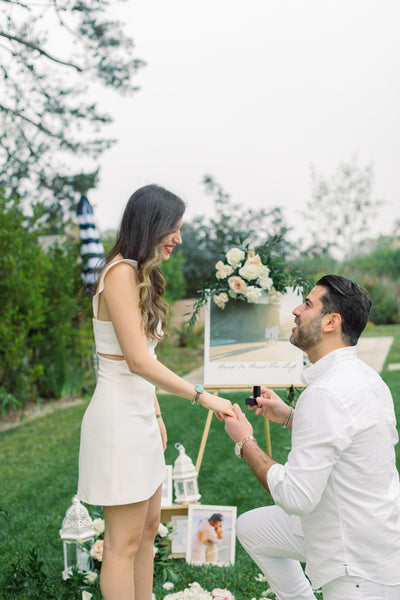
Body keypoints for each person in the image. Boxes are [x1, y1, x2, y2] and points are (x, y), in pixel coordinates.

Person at [77, 184, 235, 600]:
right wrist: (203, 396)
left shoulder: (139, 273)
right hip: (117, 425)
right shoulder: (120, 273)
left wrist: (158, 415)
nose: (178, 239)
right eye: (174, 229)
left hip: (141, 421)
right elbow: (137, 361)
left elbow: (141, 358)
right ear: (152, 224)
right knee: (121, 545)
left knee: (148, 531)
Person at [224, 275, 400, 600]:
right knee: (253, 527)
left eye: (307, 304)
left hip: (358, 567)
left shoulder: (325, 393)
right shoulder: (365, 378)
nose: (295, 310)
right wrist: (291, 416)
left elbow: (295, 497)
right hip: (373, 531)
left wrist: (244, 442)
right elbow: (346, 441)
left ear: (332, 321)